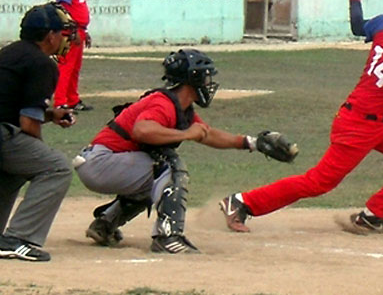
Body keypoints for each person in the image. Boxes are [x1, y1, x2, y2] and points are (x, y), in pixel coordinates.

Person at [220, 0, 383, 234]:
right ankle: (242, 202)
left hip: (379, 120)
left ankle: (372, 215)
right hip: (358, 125)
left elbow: (358, 26)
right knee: (319, 182)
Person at [74, 49, 269, 254]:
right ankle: (168, 237)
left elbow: (207, 134)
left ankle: (105, 225)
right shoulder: (163, 103)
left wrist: (251, 143)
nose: (208, 83)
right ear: (191, 79)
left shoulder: (179, 107)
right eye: (205, 77)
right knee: (169, 167)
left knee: (156, 175)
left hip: (100, 163)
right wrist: (186, 135)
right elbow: (142, 130)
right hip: (101, 163)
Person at [0, 3, 78, 262]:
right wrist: (38, 148)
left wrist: (50, 115)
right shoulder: (42, 63)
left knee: (21, 163)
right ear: (49, 36)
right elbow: (28, 124)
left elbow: (1, 103)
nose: (64, 38)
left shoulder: (8, 53)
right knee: (57, 167)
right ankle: (18, 238)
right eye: (61, 32)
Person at [54, 0, 93, 111]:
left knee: (75, 68)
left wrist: (85, 30)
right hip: (70, 32)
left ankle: (72, 99)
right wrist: (73, 30)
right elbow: (63, 9)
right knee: (66, 66)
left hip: (79, 30)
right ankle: (60, 101)